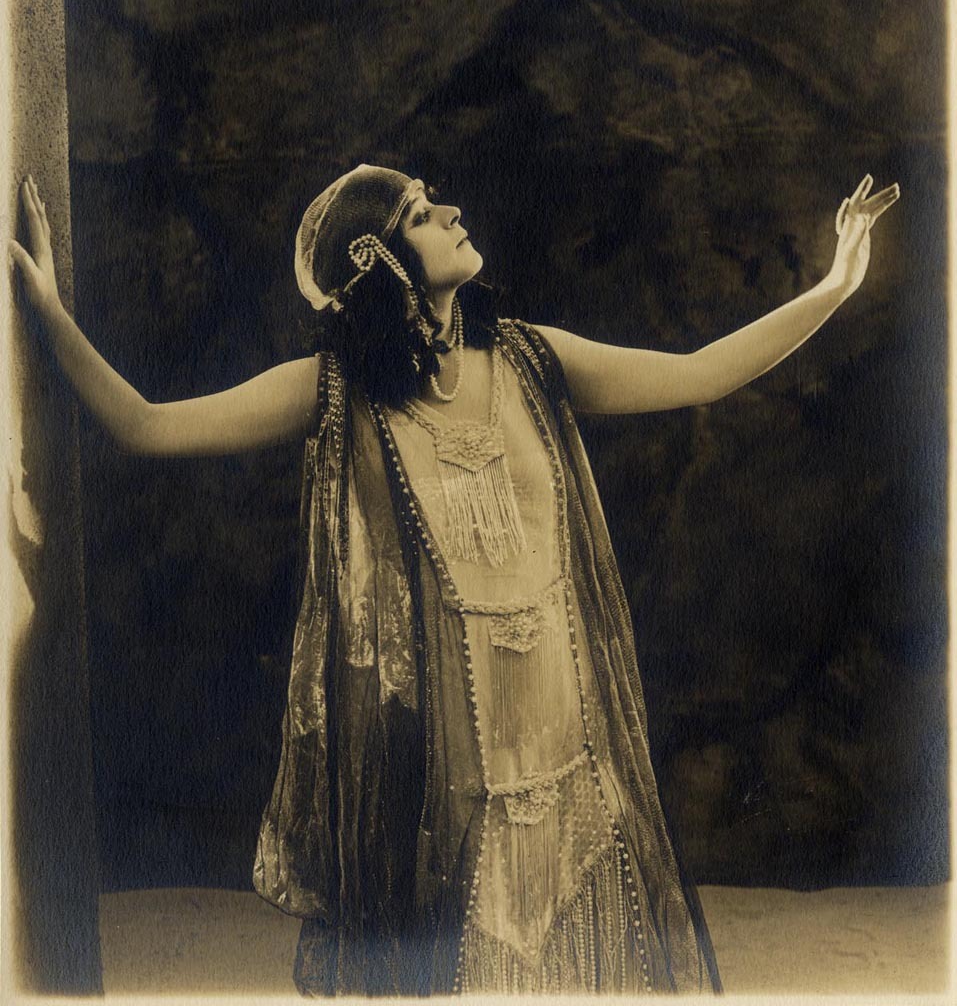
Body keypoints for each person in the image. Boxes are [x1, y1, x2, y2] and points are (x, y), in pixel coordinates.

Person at [10, 165, 898, 996]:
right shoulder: (335, 392)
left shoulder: (531, 359)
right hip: (450, 769)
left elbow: (700, 374)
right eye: (422, 212)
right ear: (377, 259)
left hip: (569, 746)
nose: (452, 212)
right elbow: (148, 426)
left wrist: (833, 286)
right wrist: (46, 309)